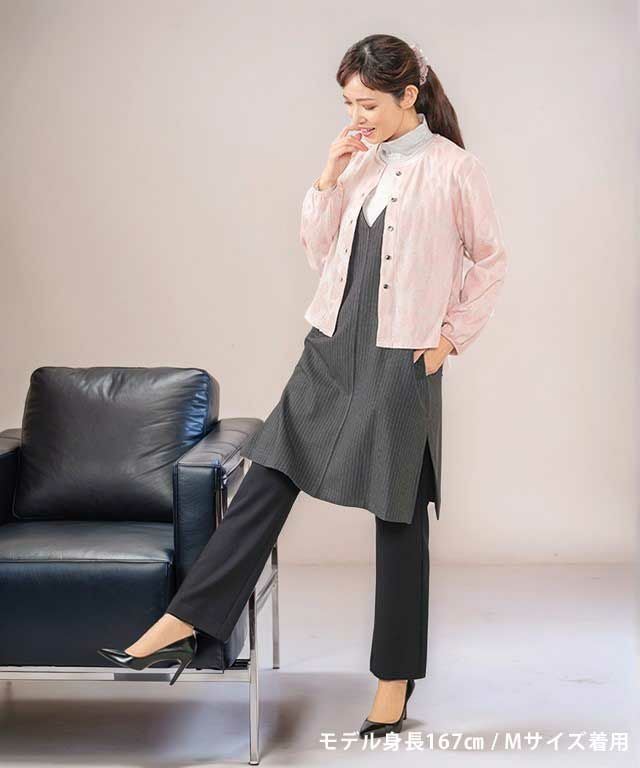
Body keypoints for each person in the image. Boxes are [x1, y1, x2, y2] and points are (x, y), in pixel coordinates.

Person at [98, 33, 507, 738]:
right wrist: (328, 176)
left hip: (402, 357)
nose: (357, 117)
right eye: (348, 104)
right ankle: (184, 621)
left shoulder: (455, 169)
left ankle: (394, 678)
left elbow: (491, 261)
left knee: (398, 516)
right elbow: (323, 256)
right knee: (269, 474)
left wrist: (447, 341)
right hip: (331, 347)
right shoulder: (360, 164)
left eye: (368, 104)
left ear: (409, 96)